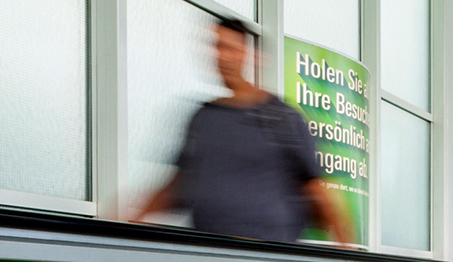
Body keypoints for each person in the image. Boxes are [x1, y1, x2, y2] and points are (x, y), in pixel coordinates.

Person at [134, 18, 352, 245]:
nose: (222, 57)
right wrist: (132, 223)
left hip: (268, 258)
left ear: (251, 55)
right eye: (217, 47)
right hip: (208, 259)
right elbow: (177, 185)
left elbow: (318, 191)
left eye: (231, 48)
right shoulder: (203, 118)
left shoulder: (282, 117)